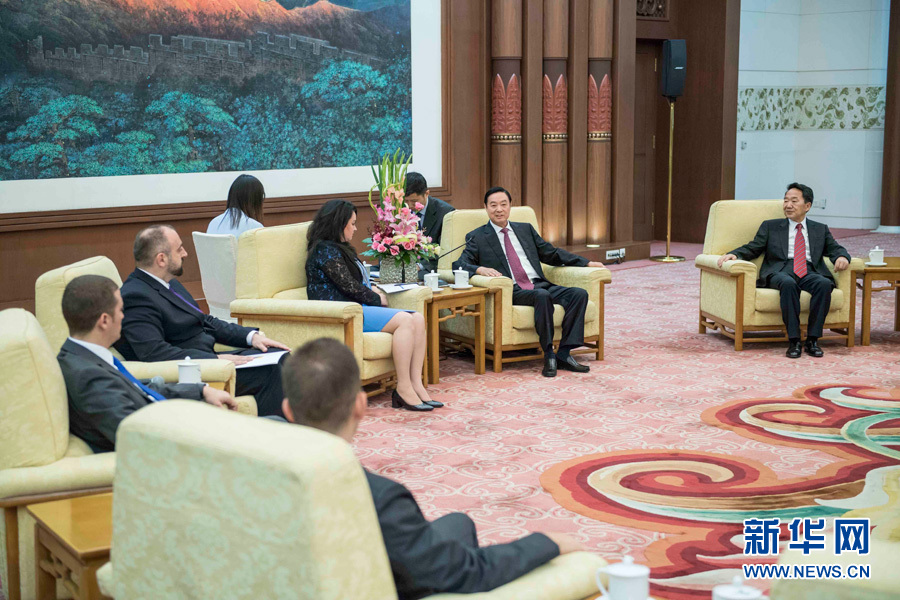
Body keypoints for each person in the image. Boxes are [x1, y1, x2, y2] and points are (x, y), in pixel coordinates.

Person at [281, 338, 582, 598]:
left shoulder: (264, 461)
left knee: (459, 524)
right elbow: (467, 571)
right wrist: (546, 543)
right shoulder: (381, 498)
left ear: (287, 410)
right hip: (374, 585)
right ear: (361, 405)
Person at [114, 224, 291, 417]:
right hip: (197, 371)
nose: (185, 253)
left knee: (281, 356)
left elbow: (204, 321)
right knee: (272, 370)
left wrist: (251, 337)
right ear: (161, 259)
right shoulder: (135, 296)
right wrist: (213, 361)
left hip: (211, 359)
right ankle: (276, 431)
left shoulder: (169, 282)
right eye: (179, 249)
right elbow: (155, 353)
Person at [57, 274, 237, 453]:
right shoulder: (86, 375)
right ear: (104, 321)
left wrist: (200, 390)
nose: (123, 316)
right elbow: (136, 436)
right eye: (120, 310)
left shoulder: (85, 357)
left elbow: (138, 389)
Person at [453, 187, 605, 377]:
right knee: (542, 295)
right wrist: (479, 269)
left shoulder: (525, 229)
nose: (499, 209)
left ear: (510, 206)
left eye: (503, 204)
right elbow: (459, 264)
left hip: (538, 284)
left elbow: (551, 254)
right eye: (493, 205)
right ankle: (549, 354)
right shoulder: (477, 236)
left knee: (578, 294)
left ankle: (564, 354)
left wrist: (586, 262)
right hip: (514, 289)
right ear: (485, 207)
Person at [305, 199, 438, 411]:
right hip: (343, 312)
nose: (356, 228)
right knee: (405, 320)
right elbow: (348, 286)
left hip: (357, 307)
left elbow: (354, 281)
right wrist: (377, 298)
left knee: (418, 318)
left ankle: (416, 384)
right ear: (339, 224)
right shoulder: (324, 250)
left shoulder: (340, 248)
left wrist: (373, 288)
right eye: (353, 224)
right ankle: (403, 388)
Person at [717, 183, 851, 358]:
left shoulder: (820, 229)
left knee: (824, 284)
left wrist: (842, 257)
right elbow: (754, 247)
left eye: (794, 201)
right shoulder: (770, 226)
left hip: (809, 270)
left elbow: (835, 248)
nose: (788, 205)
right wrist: (735, 254)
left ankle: (812, 340)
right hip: (780, 269)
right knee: (788, 284)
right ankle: (794, 340)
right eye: (786, 200)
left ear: (807, 206)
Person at [405, 172, 455, 274]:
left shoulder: (445, 213)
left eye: (414, 201)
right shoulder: (399, 209)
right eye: (406, 201)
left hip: (429, 269)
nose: (409, 206)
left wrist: (419, 266)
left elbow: (445, 250)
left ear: (426, 194)